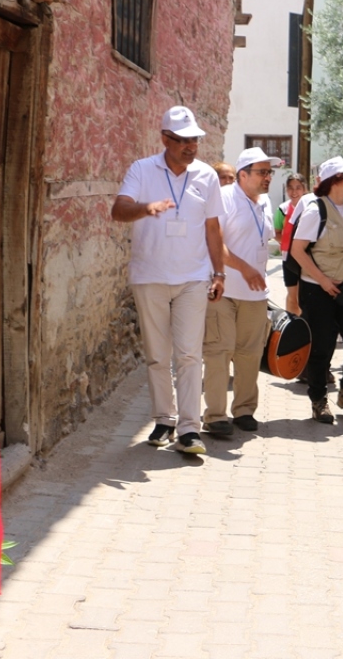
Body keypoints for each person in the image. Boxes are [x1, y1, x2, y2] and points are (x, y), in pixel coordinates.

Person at [110, 106, 227, 455]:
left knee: (189, 354)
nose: (191, 147)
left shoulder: (206, 176)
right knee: (158, 356)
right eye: (184, 141)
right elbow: (118, 210)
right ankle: (164, 419)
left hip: (193, 278)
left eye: (195, 140)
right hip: (150, 277)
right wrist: (146, 208)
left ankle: (190, 429)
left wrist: (219, 273)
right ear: (165, 139)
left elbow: (213, 228)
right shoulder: (142, 170)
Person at [202, 147, 280, 436]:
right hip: (223, 291)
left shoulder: (266, 202)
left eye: (269, 172)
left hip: (255, 295)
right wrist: (244, 268)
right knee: (219, 352)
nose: (267, 178)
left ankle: (245, 411)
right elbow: (214, 243)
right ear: (243, 175)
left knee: (249, 354)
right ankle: (214, 416)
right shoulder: (223, 198)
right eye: (262, 172)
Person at [289, 157, 343, 423]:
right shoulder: (315, 210)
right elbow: (296, 250)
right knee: (321, 348)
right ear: (335, 180)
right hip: (318, 291)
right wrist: (322, 280)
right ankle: (318, 400)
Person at [278, 174, 309, 316]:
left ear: (305, 189)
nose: (294, 192)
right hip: (288, 258)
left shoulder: (310, 208)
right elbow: (276, 231)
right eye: (290, 188)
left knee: (304, 297)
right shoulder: (282, 209)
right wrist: (287, 243)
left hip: (306, 259)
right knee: (292, 296)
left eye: (298, 188)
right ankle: (291, 327)